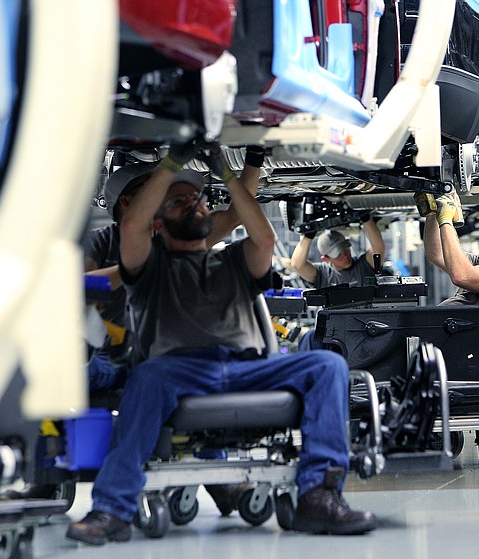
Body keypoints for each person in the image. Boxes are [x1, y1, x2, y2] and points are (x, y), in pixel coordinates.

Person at [66, 140, 376, 545]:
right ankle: (112, 509)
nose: (193, 204)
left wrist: (228, 175)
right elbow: (131, 226)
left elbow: (263, 239)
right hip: (178, 370)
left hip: (247, 367)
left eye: (196, 199)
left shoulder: (234, 259)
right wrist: (173, 161)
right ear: (158, 220)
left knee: (328, 366)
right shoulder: (150, 267)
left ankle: (318, 495)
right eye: (178, 202)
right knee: (145, 376)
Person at [84, 152, 262, 393]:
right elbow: (80, 287)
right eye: (154, 188)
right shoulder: (103, 240)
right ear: (127, 202)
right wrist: (138, 268)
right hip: (107, 356)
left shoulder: (176, 234)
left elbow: (235, 216)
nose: (164, 192)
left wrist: (254, 157)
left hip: (164, 354)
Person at [290, 217, 385, 289]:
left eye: (345, 249)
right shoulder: (323, 274)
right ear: (326, 259)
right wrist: (308, 235)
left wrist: (366, 219)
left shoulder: (364, 266)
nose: (345, 255)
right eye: (338, 254)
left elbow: (378, 249)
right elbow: (297, 265)